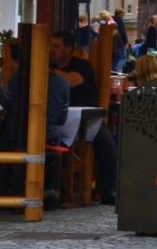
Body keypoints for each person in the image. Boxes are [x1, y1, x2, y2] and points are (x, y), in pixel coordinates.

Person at [49, 30, 117, 204]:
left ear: (68, 49)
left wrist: (45, 70)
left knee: (107, 144)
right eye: (50, 45)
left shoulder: (81, 66)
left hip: (88, 119)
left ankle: (106, 190)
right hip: (56, 117)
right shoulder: (47, 67)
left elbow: (71, 80)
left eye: (56, 46)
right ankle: (53, 189)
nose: (51, 49)